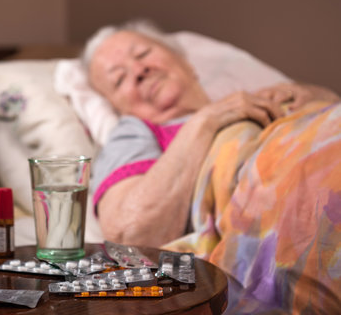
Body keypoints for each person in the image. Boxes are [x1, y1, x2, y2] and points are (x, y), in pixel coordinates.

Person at [82, 21, 339, 248]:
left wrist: (308, 97)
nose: (139, 71)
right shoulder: (133, 132)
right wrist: (205, 121)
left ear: (184, 61)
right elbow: (129, 234)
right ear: (116, 106)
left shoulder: (247, 99)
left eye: (143, 53)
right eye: (119, 79)